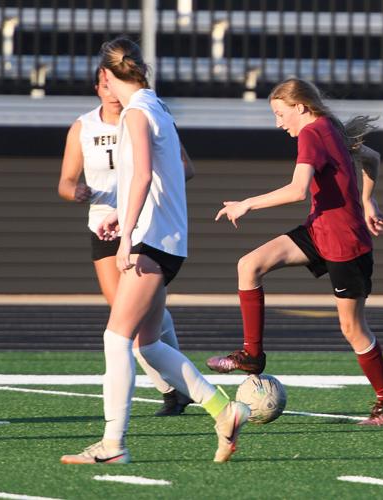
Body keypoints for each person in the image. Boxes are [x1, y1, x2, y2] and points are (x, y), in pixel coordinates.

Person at [61, 37, 248, 465]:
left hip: (150, 242)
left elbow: (143, 174)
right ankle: (224, 409)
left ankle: (112, 445)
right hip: (164, 240)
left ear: (106, 75)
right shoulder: (157, 106)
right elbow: (154, 176)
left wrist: (126, 235)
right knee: (147, 344)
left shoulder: (137, 113)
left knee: (115, 338)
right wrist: (118, 218)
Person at [207, 77, 383, 426]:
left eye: (280, 114)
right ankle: (252, 356)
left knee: (353, 329)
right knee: (249, 265)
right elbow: (372, 158)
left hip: (346, 244)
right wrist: (368, 199)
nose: (278, 122)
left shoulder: (315, 133)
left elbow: (298, 189)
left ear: (300, 107)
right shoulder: (330, 127)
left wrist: (247, 204)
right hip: (319, 232)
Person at [58, 67, 194, 417]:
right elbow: (66, 182)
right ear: (98, 87)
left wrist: (152, 186)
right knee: (129, 321)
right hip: (106, 225)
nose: (111, 92)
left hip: (144, 225)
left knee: (131, 326)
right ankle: (179, 390)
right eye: (105, 86)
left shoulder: (146, 115)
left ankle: (170, 395)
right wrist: (78, 192)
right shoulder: (85, 127)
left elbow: (183, 167)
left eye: (114, 84)